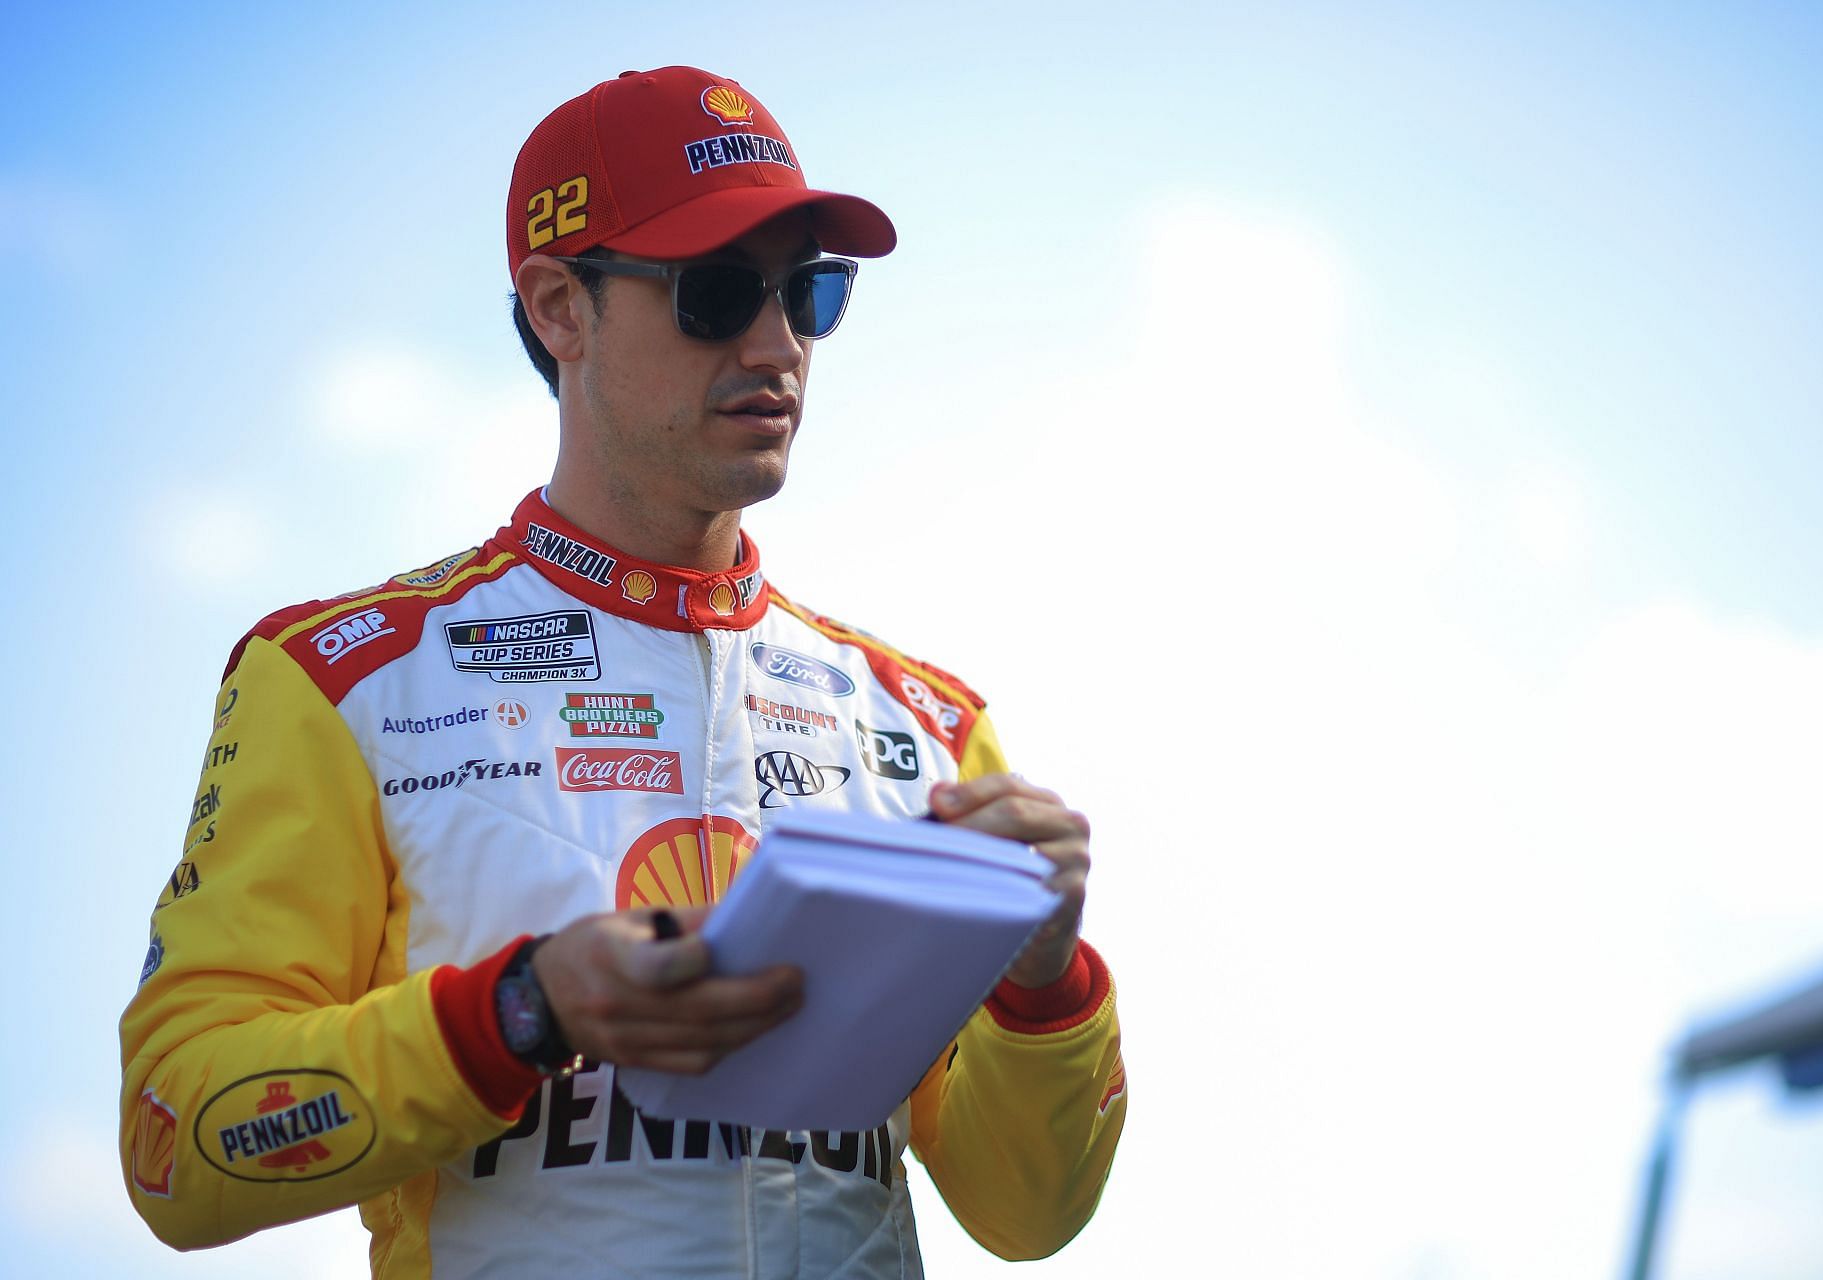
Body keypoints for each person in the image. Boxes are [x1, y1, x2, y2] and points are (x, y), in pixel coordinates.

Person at [119, 65, 1126, 1278]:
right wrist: (517, 1011)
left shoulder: (928, 721)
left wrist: (1046, 974)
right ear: (559, 307)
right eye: (716, 293)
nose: (779, 343)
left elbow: (1031, 1213)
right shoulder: (342, 678)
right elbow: (175, 1142)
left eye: (811, 292)